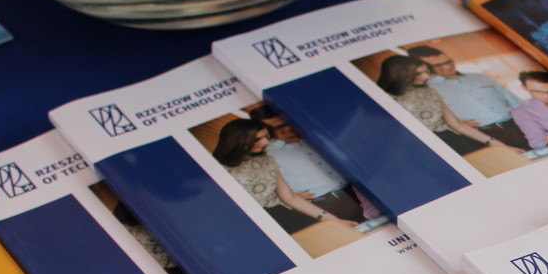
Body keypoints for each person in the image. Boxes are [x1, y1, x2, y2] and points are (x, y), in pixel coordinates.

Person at [210, 119, 347, 232]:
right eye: (257, 139)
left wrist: (334, 220)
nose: (265, 142)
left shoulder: (266, 159)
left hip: (285, 217)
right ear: (238, 140)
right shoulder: (217, 169)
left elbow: (290, 198)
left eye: (266, 137)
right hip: (250, 225)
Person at [376, 55, 518, 157]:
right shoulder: (384, 97)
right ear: (400, 74)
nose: (426, 77)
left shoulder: (429, 91)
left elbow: (457, 125)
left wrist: (500, 146)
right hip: (418, 148)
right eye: (418, 73)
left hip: (454, 142)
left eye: (426, 72)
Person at [251, 105, 374, 222]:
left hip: (361, 197)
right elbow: (261, 190)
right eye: (279, 127)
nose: (288, 128)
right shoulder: (266, 155)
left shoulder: (319, 137)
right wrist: (282, 198)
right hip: (321, 207)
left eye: (288, 122)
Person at [407, 45, 530, 149]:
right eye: (438, 65)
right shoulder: (427, 89)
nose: (447, 66)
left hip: (518, 127)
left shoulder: (480, 77)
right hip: (481, 136)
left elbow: (517, 104)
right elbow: (431, 121)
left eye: (448, 61)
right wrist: (451, 125)